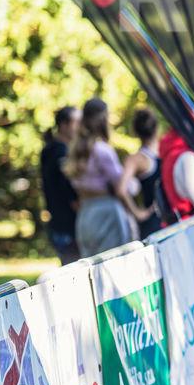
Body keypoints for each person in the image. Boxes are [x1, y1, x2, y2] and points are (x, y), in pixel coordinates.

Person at [63, 98, 138, 257]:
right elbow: (121, 186)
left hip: (85, 214)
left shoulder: (74, 150)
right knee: (113, 262)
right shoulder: (102, 150)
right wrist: (134, 184)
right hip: (107, 212)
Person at [40, 106, 81, 264]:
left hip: (59, 225)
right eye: (76, 122)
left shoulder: (49, 149)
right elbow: (68, 190)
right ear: (64, 125)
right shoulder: (60, 153)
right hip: (69, 227)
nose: (81, 127)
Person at [117, 108, 162, 239]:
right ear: (157, 128)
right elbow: (121, 190)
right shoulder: (166, 149)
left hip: (153, 220)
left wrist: (138, 213)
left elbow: (121, 189)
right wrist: (138, 214)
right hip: (169, 216)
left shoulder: (135, 159)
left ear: (135, 132)